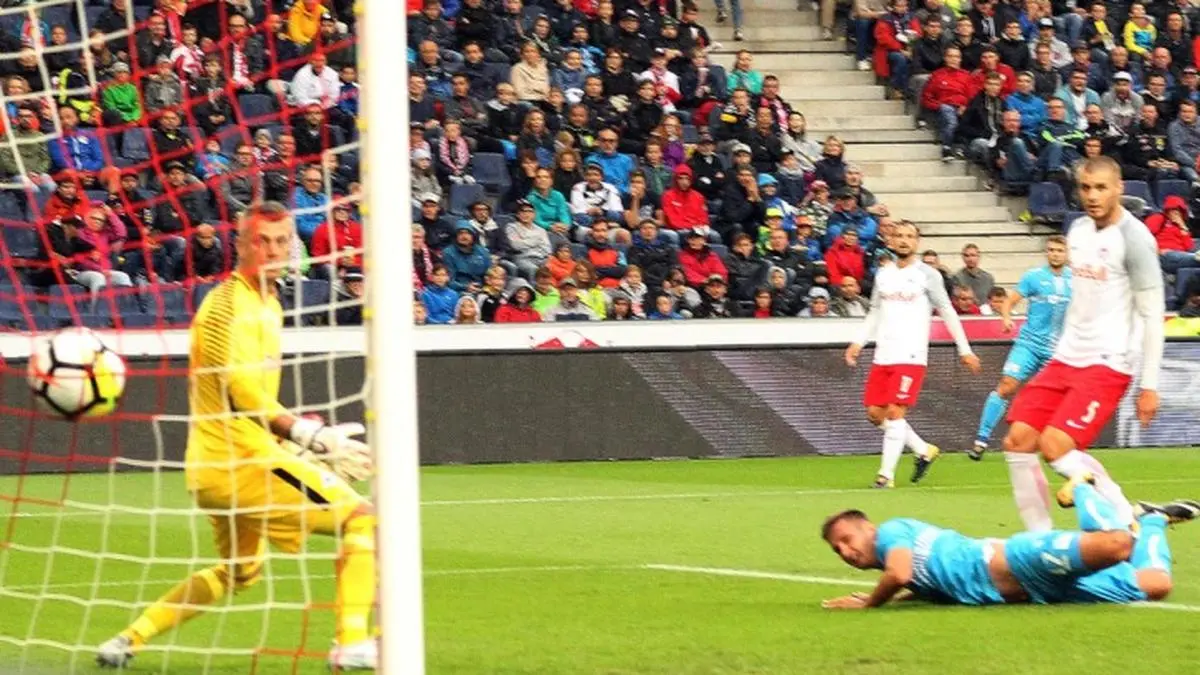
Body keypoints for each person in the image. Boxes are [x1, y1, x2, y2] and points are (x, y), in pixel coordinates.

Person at [94, 203, 377, 671]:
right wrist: (306, 434)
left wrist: (288, 443)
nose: (273, 251)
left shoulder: (270, 303)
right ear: (241, 245)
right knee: (363, 520)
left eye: (282, 241)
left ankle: (128, 639)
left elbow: (249, 399)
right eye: (262, 241)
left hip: (221, 466)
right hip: (238, 462)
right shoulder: (227, 306)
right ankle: (350, 641)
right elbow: (239, 389)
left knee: (240, 571)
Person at [1002, 156, 1165, 533]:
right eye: (1086, 188)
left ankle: (1125, 518)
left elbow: (1152, 313)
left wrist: (1149, 384)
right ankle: (1039, 539)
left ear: (1119, 188)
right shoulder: (1076, 230)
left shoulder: (1135, 238)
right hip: (1066, 357)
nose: (1092, 196)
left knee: (1055, 445)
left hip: (1108, 361)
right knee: (1017, 442)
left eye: (1101, 188)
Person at [819, 479, 1198, 609]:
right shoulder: (911, 567)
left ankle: (1081, 488)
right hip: (1040, 592)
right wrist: (899, 599)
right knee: (1155, 585)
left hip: (1020, 560)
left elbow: (899, 572)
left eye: (847, 540)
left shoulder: (890, 533)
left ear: (868, 528)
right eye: (838, 550)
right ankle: (1153, 520)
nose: (846, 552)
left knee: (1117, 545)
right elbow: (920, 578)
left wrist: (871, 602)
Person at [844, 220, 980, 489]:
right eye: (899, 235)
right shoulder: (884, 274)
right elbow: (875, 310)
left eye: (909, 236)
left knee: (895, 412)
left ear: (917, 242)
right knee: (875, 414)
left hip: (911, 355)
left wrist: (964, 349)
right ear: (891, 240)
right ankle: (923, 449)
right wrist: (858, 342)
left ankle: (886, 476)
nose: (904, 240)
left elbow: (947, 311)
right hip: (884, 353)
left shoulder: (928, 275)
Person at [969, 237, 1071, 464]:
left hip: (1056, 349)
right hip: (1029, 344)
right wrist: (1006, 317)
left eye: (1059, 250)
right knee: (1007, 384)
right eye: (1051, 250)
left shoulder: (1076, 280)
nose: (1055, 254)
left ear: (1067, 253)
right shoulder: (1034, 276)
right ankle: (981, 439)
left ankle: (1047, 443)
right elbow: (1010, 301)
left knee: (1051, 397)